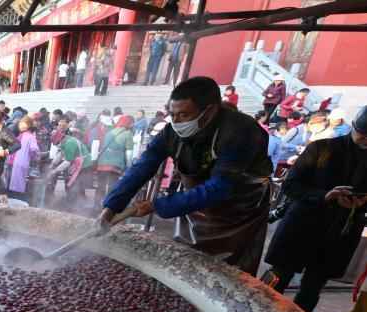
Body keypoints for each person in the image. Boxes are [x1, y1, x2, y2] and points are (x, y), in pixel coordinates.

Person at [97, 76, 274, 275]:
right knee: (186, 262)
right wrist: (111, 207)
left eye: (183, 114)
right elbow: (141, 168)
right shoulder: (170, 132)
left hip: (240, 212)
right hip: (193, 203)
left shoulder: (242, 131)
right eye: (172, 114)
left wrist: (158, 204)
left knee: (229, 273)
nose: (176, 121)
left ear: (210, 111)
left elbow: (220, 187)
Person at [263, 105, 367, 312]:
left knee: (312, 288)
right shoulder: (322, 148)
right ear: (354, 125)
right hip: (303, 223)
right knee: (277, 279)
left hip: (341, 231)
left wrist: (361, 202)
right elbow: (291, 185)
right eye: (364, 133)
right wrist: (324, 195)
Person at [94, 115, 135, 207]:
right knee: (112, 186)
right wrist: (129, 166)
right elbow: (129, 154)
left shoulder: (109, 132)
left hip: (102, 162)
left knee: (101, 185)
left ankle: (96, 206)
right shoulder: (128, 134)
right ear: (128, 124)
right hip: (116, 163)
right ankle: (107, 207)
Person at [49, 127, 92, 205]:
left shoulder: (69, 143)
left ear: (60, 139)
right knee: (77, 184)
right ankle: (79, 202)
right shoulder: (65, 141)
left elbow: (67, 162)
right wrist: (53, 163)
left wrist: (55, 171)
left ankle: (72, 205)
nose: (57, 145)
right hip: (80, 164)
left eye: (56, 143)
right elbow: (61, 153)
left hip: (84, 165)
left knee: (73, 185)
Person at [8, 116, 41, 200]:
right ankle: (17, 201)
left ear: (25, 125)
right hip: (21, 163)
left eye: (20, 124)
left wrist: (35, 157)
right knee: (18, 185)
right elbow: (35, 151)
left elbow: (35, 149)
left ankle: (16, 202)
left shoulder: (27, 136)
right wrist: (34, 157)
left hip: (16, 163)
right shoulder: (29, 136)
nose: (18, 126)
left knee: (14, 185)